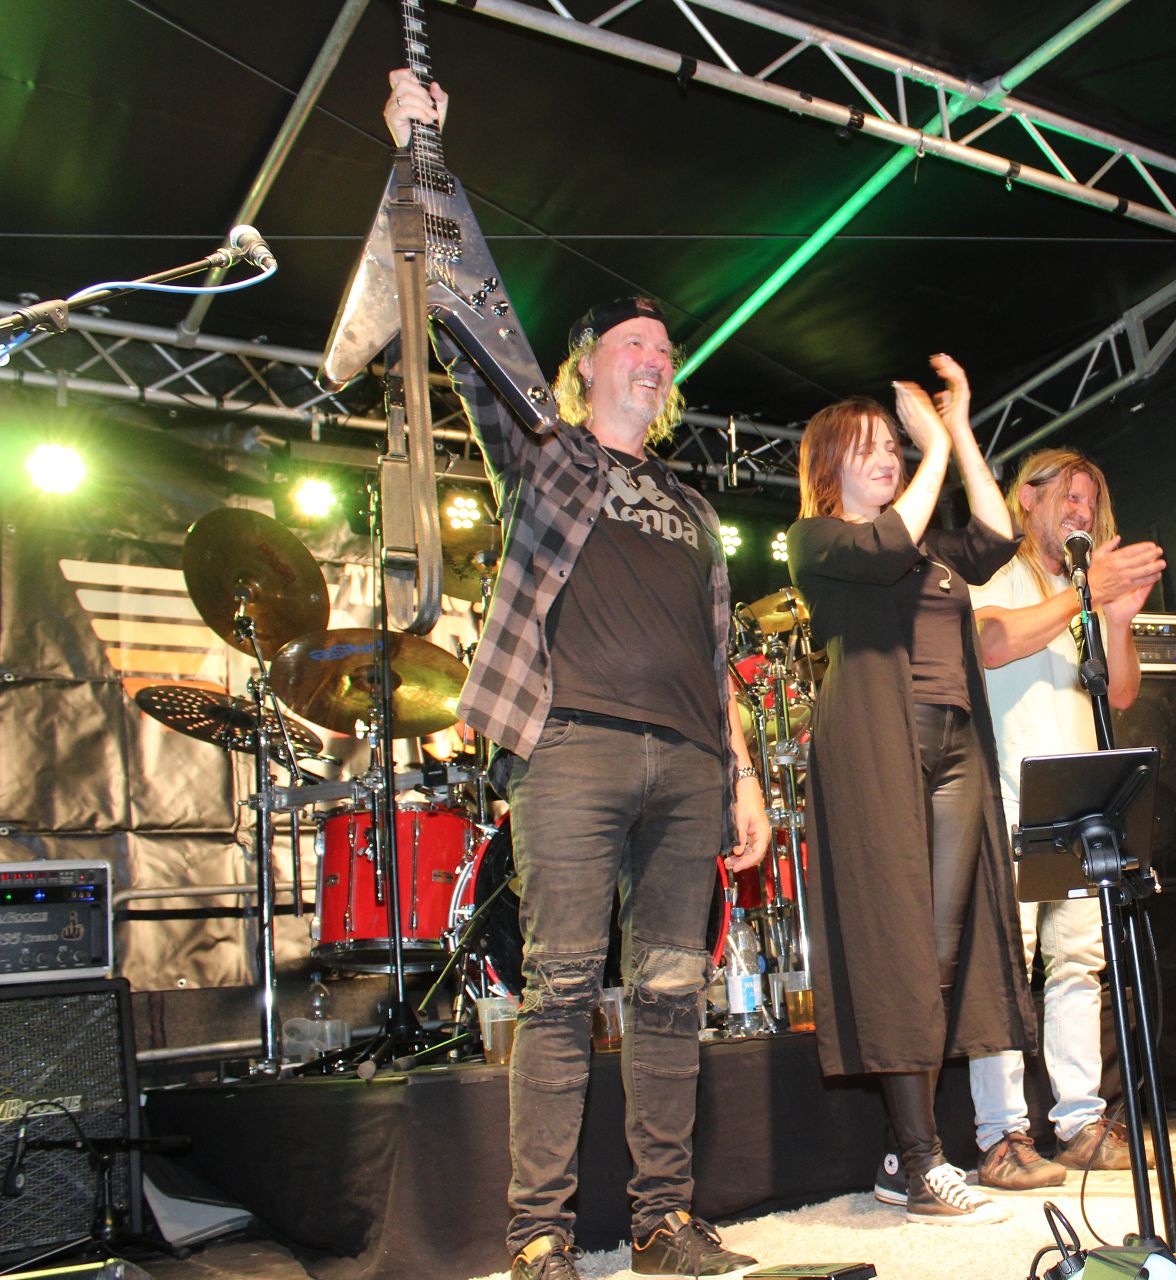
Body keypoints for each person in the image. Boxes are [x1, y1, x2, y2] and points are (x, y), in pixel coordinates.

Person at [383, 72, 770, 1280]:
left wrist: (746, 775)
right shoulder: (542, 454)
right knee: (558, 988)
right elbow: (466, 308)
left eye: (665, 348)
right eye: (633, 343)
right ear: (585, 366)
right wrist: (424, 154)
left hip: (692, 763)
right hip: (572, 747)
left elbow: (716, 652)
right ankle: (540, 1233)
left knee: (671, 991)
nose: (655, 357)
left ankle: (662, 1220)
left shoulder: (694, 505)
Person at [787, 356, 1036, 1224]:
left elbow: (997, 535)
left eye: (892, 447)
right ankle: (924, 1158)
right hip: (875, 747)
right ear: (830, 464)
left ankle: (905, 1153)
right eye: (869, 448)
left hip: (956, 744)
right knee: (898, 948)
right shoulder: (819, 541)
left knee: (937, 951)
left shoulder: (929, 542)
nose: (887, 458)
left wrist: (957, 430)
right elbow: (888, 543)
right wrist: (930, 453)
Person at [964, 448, 1164, 1188]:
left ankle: (1080, 1122)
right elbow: (990, 644)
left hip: (1083, 800)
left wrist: (1118, 621)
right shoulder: (996, 568)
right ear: (1028, 497)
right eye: (1068, 497)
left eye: (1089, 501)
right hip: (1010, 794)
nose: (1081, 511)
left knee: (1081, 961)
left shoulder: (1084, 588)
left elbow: (1121, 693)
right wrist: (1084, 596)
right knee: (1006, 968)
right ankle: (1002, 1134)